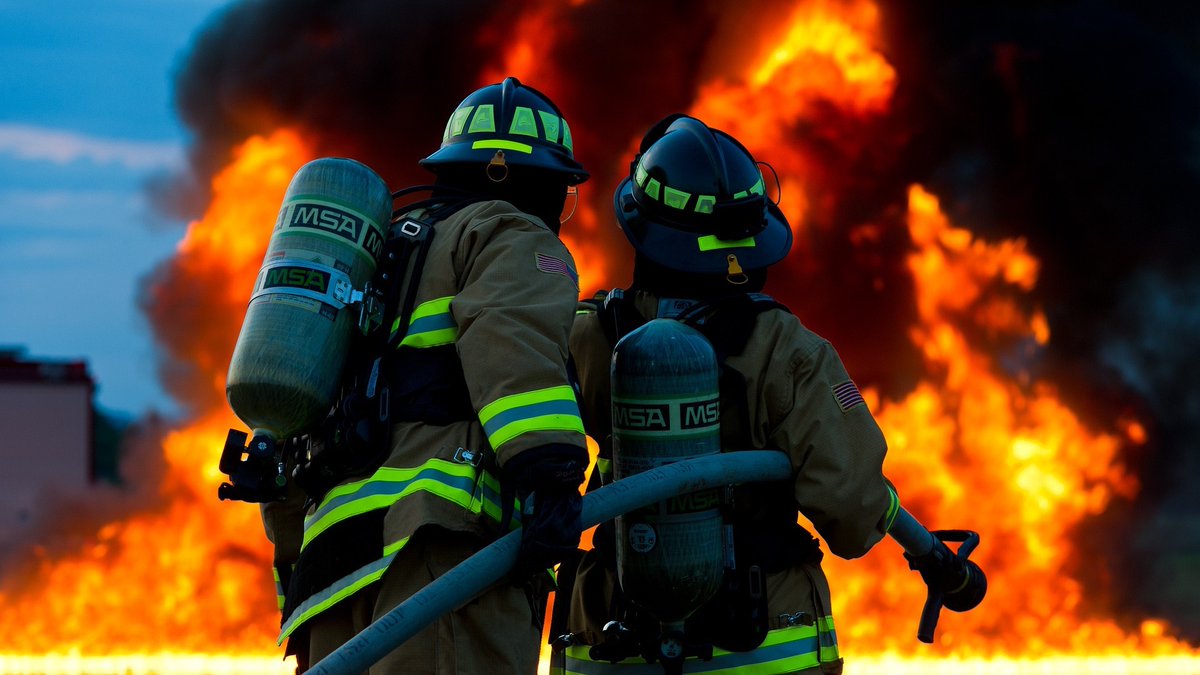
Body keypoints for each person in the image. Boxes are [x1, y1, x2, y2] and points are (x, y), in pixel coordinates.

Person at [261, 77, 592, 674]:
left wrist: (291, 553)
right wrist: (552, 477)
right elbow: (510, 343)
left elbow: (298, 413)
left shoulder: (376, 255)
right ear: (533, 182)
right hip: (439, 550)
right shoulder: (507, 234)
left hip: (331, 565)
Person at [551, 114, 902, 675]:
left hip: (614, 641)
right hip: (761, 644)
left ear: (642, 232)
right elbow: (855, 515)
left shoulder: (586, 336)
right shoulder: (788, 350)